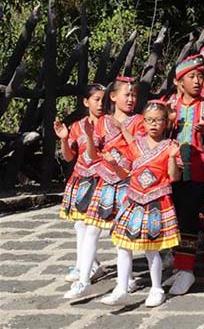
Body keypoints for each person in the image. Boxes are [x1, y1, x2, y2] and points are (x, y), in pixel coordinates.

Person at [67, 78, 142, 300]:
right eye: (126, 95)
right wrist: (89, 137)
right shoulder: (102, 122)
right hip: (106, 180)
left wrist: (121, 128)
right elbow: (91, 154)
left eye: (133, 95)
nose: (130, 99)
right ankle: (83, 279)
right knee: (91, 228)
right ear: (113, 97)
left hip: (127, 180)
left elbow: (139, 150)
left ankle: (124, 281)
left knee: (120, 234)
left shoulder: (138, 121)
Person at [101, 100, 182, 307]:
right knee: (123, 246)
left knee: (151, 249)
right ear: (143, 122)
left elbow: (174, 178)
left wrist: (172, 158)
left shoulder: (170, 147)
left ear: (166, 123)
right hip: (134, 200)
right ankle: (121, 287)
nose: (153, 124)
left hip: (157, 202)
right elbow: (124, 172)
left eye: (158, 120)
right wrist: (111, 162)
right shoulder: (135, 145)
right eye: (149, 120)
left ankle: (156, 288)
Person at [164, 55, 204, 296]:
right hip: (168, 172)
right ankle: (179, 266)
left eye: (200, 76)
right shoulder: (168, 106)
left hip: (197, 172)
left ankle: (187, 270)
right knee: (173, 219)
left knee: (188, 219)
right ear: (179, 82)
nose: (198, 81)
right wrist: (169, 123)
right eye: (192, 77)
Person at [56, 84, 106, 295]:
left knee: (92, 226)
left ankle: (86, 267)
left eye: (103, 99)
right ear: (86, 102)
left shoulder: (109, 124)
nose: (100, 104)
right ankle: (85, 263)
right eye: (96, 99)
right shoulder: (78, 126)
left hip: (101, 177)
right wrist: (64, 139)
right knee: (79, 225)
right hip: (81, 177)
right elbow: (69, 157)